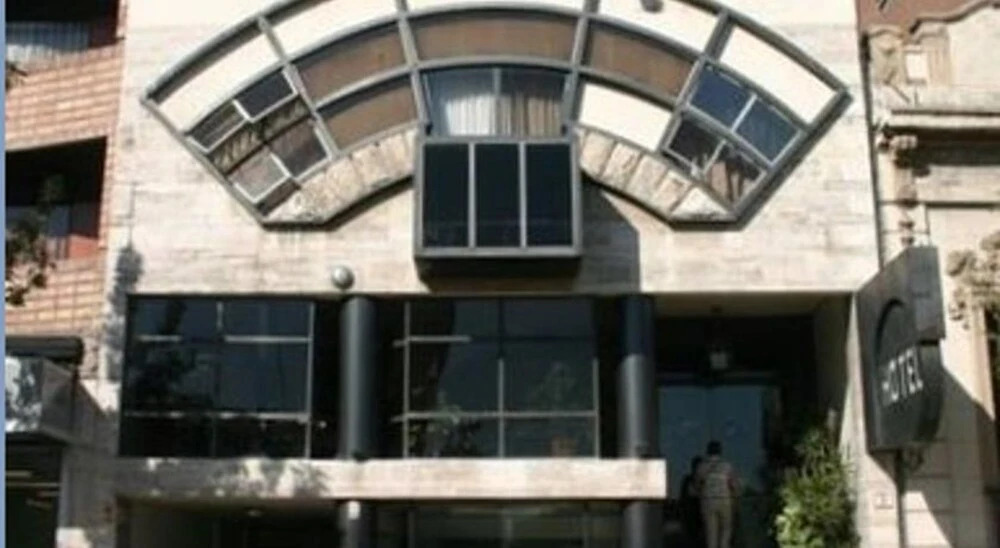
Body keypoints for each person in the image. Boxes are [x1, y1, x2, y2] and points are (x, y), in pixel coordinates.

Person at [695, 441, 741, 548]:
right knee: (726, 529)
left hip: (708, 501)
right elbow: (734, 485)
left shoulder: (702, 466)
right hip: (724, 500)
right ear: (720, 451)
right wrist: (736, 498)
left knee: (711, 533)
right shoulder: (727, 466)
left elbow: (697, 485)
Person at [679, 456, 705, 547]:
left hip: (700, 516)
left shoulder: (704, 481)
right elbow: (684, 497)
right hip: (690, 516)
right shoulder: (688, 480)